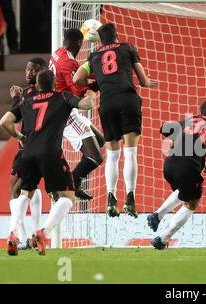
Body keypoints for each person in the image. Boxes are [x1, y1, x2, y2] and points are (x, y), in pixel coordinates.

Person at [0, 70, 95, 256]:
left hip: (27, 152)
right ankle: (43, 233)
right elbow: (87, 104)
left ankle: (12, 234)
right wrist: (91, 92)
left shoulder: (26, 100)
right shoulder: (62, 96)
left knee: (25, 192)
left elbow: (5, 122)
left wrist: (20, 137)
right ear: (54, 83)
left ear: (37, 84)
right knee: (68, 197)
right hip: (50, 153)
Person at [73, 23, 157, 218]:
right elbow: (143, 81)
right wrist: (147, 83)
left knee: (112, 156)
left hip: (108, 102)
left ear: (100, 39)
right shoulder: (127, 48)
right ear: (116, 35)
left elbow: (77, 78)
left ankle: (111, 198)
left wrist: (97, 83)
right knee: (131, 153)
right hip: (128, 100)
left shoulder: (93, 57)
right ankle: (130, 198)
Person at [147, 99, 206, 249]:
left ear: (201, 111)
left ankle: (157, 216)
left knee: (185, 191)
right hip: (187, 168)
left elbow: (163, 128)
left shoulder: (189, 121)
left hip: (169, 164)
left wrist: (178, 138)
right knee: (192, 201)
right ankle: (162, 240)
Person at [49, 28, 105, 201]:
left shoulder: (58, 53)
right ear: (80, 43)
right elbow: (77, 92)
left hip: (61, 109)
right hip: (64, 114)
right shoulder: (70, 63)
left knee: (100, 140)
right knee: (96, 157)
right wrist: (98, 84)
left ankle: (75, 181)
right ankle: (69, 184)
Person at [8, 57, 47, 250]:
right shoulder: (48, 92)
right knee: (32, 187)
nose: (28, 73)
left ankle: (22, 237)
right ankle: (33, 233)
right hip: (39, 147)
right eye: (26, 69)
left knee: (16, 192)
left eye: (32, 70)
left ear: (41, 70)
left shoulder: (32, 93)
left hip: (28, 148)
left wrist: (16, 98)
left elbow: (14, 113)